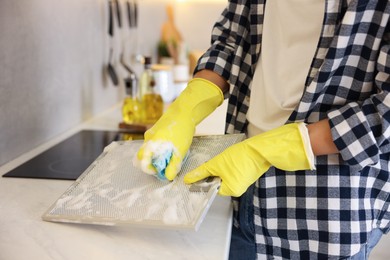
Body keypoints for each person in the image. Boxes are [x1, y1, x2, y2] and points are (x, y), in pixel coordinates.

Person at [135, 0, 390, 259]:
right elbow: (230, 42)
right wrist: (187, 109)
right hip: (242, 191)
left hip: (325, 213)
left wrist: (275, 149)